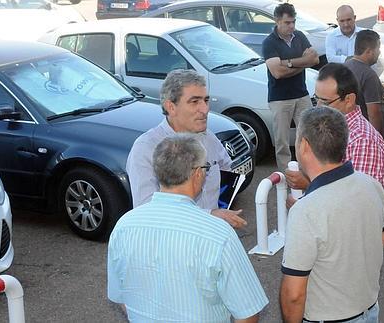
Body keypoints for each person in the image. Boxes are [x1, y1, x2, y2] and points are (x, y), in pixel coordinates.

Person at [108, 134, 268, 322]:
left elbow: (121, 297)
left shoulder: (124, 226)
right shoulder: (218, 234)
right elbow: (247, 311)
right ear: (198, 174)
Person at [279, 106, 384, 323]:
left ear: (304, 145)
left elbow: (294, 295)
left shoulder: (306, 211)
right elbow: (381, 237)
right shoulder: (371, 185)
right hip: (368, 310)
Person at [126, 69, 246, 228]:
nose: (205, 109)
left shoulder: (208, 138)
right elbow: (146, 211)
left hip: (212, 235)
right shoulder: (145, 148)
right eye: (195, 101)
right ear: (171, 106)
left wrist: (221, 209)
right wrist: (210, 215)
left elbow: (228, 171)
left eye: (206, 100)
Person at [285, 63, 384, 208]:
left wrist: (308, 184)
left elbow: (361, 201)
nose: (318, 107)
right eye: (316, 99)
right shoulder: (330, 127)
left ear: (349, 100)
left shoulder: (363, 140)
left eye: (326, 102)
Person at [262, 2, 319, 171]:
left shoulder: (299, 36)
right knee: (282, 141)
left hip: (301, 94)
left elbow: (315, 60)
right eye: (287, 23)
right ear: (277, 21)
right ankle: (286, 177)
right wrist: (303, 63)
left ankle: (308, 171)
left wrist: (288, 63)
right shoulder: (269, 43)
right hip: (279, 98)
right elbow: (277, 73)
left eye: (293, 22)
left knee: (308, 135)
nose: (291, 26)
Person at [325, 5, 384, 98]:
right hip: (342, 84)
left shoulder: (364, 34)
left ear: (354, 18)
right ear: (337, 20)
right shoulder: (331, 36)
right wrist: (355, 60)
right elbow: (331, 58)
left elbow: (373, 58)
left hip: (363, 82)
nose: (346, 24)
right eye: (342, 21)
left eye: (349, 20)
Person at [345, 29, 384, 138]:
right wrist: (376, 138)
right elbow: (374, 112)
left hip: (349, 130)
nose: (379, 52)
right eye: (378, 48)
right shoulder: (369, 75)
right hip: (365, 134)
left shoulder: (346, 65)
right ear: (369, 51)